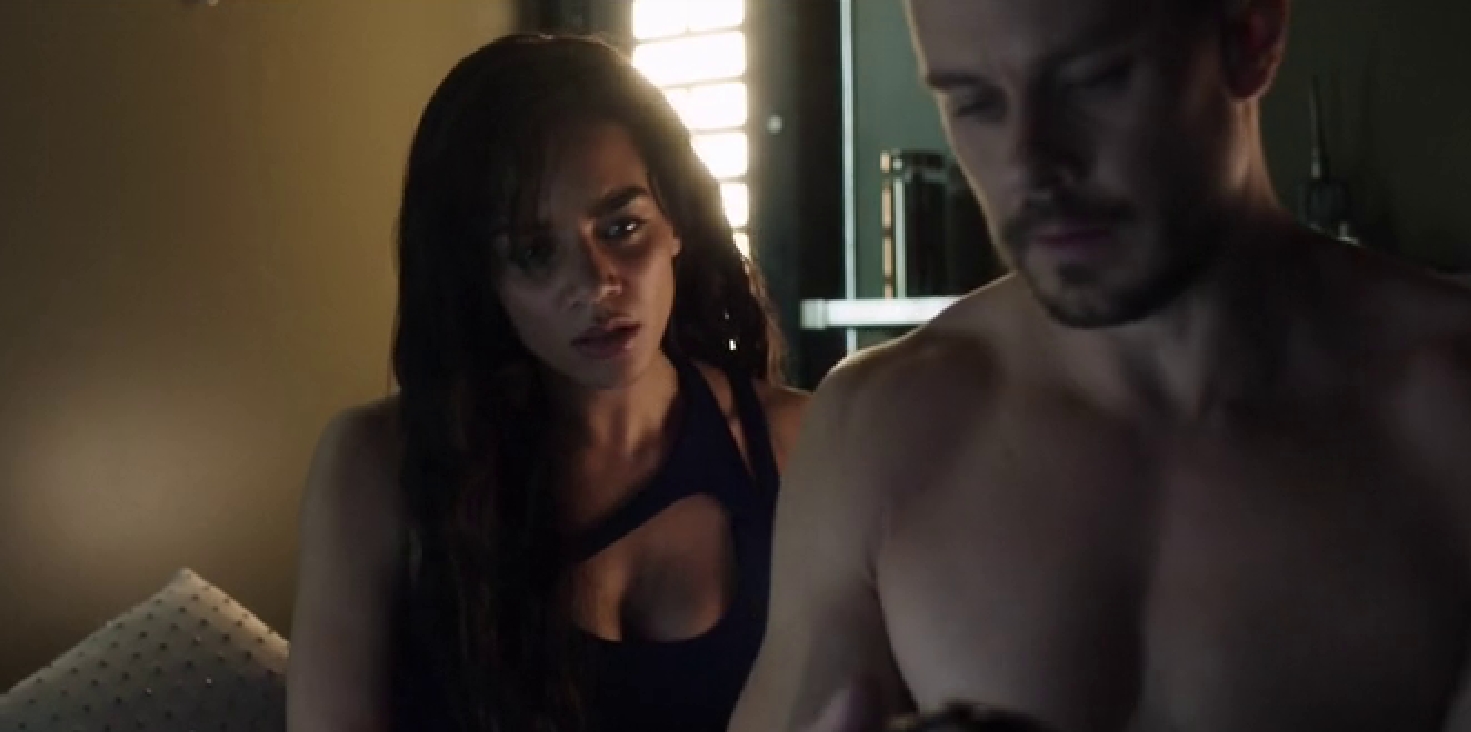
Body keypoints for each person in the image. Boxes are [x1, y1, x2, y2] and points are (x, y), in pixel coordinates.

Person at [730, 0, 1471, 730]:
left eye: (1093, 81)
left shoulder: (1448, 408)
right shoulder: (878, 430)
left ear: (1251, 37)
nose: (1030, 166)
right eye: (975, 103)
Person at [287, 34, 809, 732]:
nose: (595, 284)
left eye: (622, 227)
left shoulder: (796, 443)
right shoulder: (378, 466)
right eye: (535, 252)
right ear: (484, 276)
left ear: (676, 224)